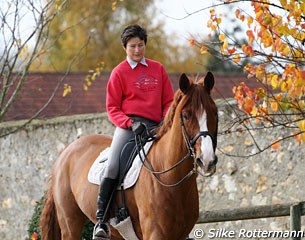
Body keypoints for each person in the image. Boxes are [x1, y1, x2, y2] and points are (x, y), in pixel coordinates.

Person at [93, 24, 174, 239]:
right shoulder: (119, 72)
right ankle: (101, 221)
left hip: (158, 125)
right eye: (132, 46)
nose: (137, 50)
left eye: (140, 45)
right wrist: (129, 123)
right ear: (124, 48)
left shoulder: (159, 69)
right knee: (113, 166)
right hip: (129, 127)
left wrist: (165, 121)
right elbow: (112, 108)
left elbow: (168, 101)